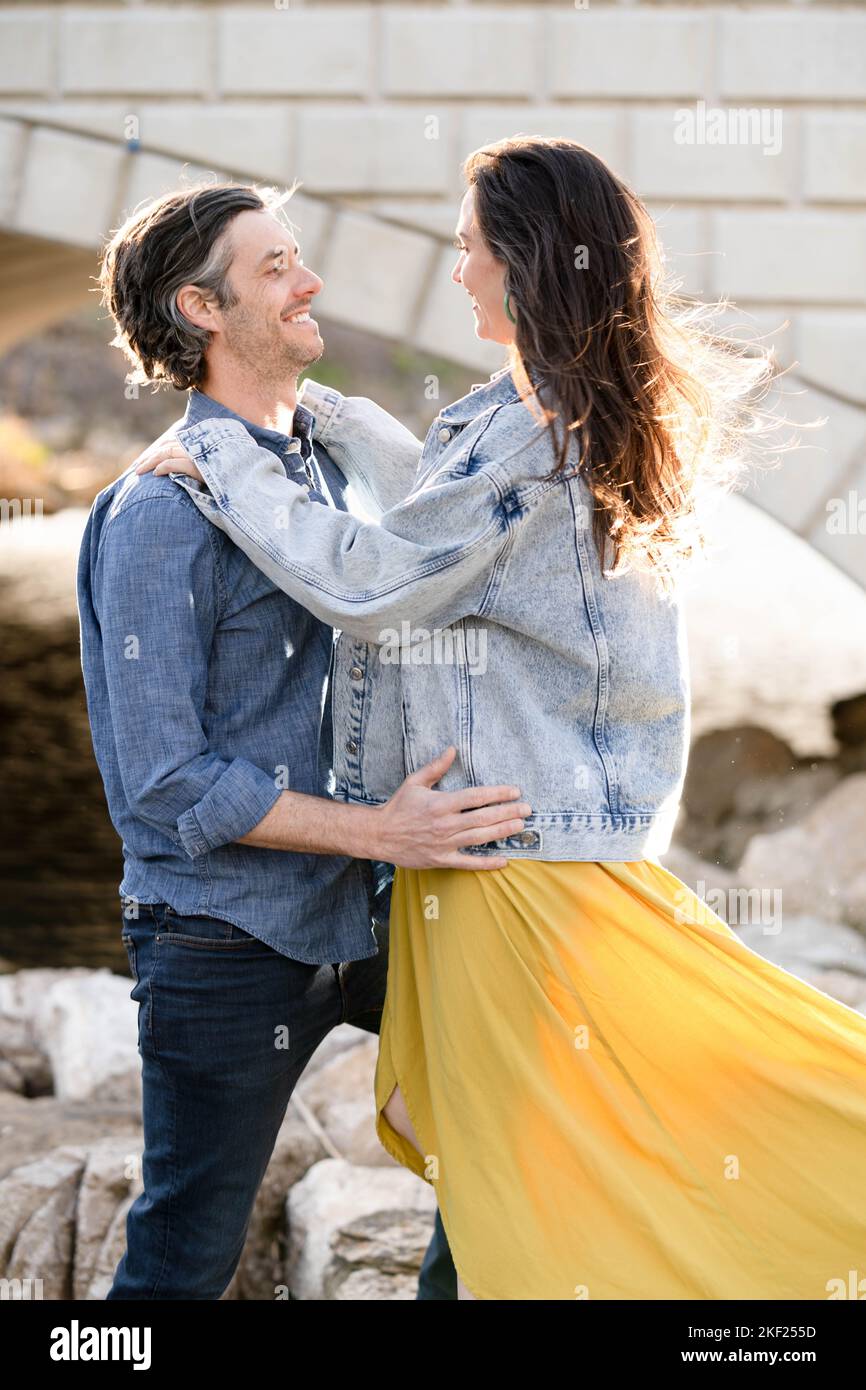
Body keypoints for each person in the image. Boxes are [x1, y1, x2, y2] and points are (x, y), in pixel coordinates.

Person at [136, 136, 866, 1301]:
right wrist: (315, 416)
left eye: (471, 247)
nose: (457, 267)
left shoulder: (537, 444)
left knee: (564, 1163)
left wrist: (228, 465)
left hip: (513, 870)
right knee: (514, 1171)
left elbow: (381, 578)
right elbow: (438, 498)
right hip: (511, 858)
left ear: (526, 265)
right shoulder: (527, 414)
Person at [78, 181, 527, 1300]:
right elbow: (163, 781)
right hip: (222, 939)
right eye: (274, 267)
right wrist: (383, 829)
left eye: (297, 258)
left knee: (508, 1138)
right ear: (199, 307)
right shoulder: (158, 515)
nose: (308, 280)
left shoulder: (318, 473)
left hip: (365, 906)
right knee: (186, 1247)